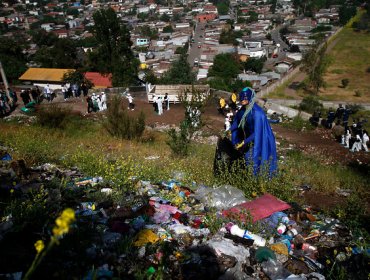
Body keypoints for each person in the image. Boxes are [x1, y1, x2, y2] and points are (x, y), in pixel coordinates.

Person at [230, 87, 277, 176]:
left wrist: (244, 142)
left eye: (245, 98)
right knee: (244, 158)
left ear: (250, 97)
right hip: (248, 138)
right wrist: (230, 131)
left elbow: (258, 133)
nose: (242, 100)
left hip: (262, 138)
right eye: (241, 98)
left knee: (255, 159)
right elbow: (237, 122)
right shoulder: (243, 110)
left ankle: (257, 180)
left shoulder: (257, 113)